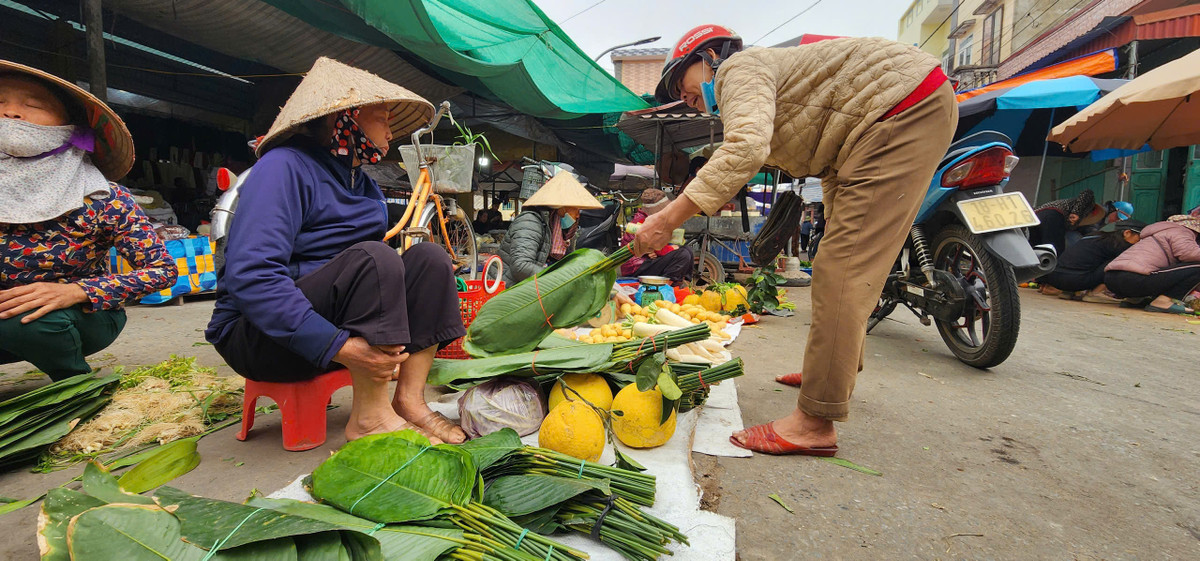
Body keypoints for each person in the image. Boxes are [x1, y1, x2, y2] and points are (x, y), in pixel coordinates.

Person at [635, 27, 957, 456]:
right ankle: (832, 369)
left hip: (899, 111)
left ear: (710, 56)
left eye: (685, 85)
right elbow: (818, 146)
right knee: (838, 260)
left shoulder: (736, 69)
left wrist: (667, 220)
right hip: (877, 125)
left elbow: (746, 149)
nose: (691, 100)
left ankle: (814, 423)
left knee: (843, 268)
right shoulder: (764, 82)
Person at [205, 57, 467, 443]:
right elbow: (253, 277)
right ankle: (370, 417)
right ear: (348, 117)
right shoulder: (283, 167)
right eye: (384, 118)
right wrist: (337, 344)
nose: (391, 131)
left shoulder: (364, 185)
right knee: (375, 260)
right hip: (258, 336)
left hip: (328, 323)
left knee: (430, 258)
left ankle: (408, 401)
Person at [0, 61, 177, 380]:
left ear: (71, 125)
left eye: (33, 104)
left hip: (82, 316)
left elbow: (162, 271)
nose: (12, 113)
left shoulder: (102, 198)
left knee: (29, 317)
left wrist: (76, 291)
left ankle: (75, 385)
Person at [496, 172, 603, 285]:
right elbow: (520, 266)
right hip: (508, 290)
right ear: (561, 208)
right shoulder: (530, 222)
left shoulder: (558, 231)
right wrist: (561, 278)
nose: (578, 215)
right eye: (576, 209)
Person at [1104, 214, 1200, 314]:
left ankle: (1135, 299)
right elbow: (1189, 253)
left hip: (1111, 279)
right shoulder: (1181, 231)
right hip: (1133, 279)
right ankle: (1163, 302)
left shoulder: (1157, 234)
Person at [1039, 219, 1146, 303]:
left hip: (1055, 277)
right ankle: (1096, 293)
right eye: (1140, 238)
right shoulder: (1119, 246)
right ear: (1127, 233)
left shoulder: (1096, 236)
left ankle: (1069, 292)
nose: (1140, 242)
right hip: (1075, 280)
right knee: (1121, 262)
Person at [620, 189, 695, 282]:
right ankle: (670, 285)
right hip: (636, 267)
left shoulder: (650, 219)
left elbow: (656, 249)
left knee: (687, 250)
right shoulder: (641, 222)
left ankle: (683, 280)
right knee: (682, 255)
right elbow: (657, 249)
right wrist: (671, 249)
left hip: (648, 261)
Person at [1028, 189, 1098, 257]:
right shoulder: (1088, 205)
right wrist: (1076, 212)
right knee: (1054, 250)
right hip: (1052, 216)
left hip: (1036, 218)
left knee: (1037, 250)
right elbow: (1087, 193)